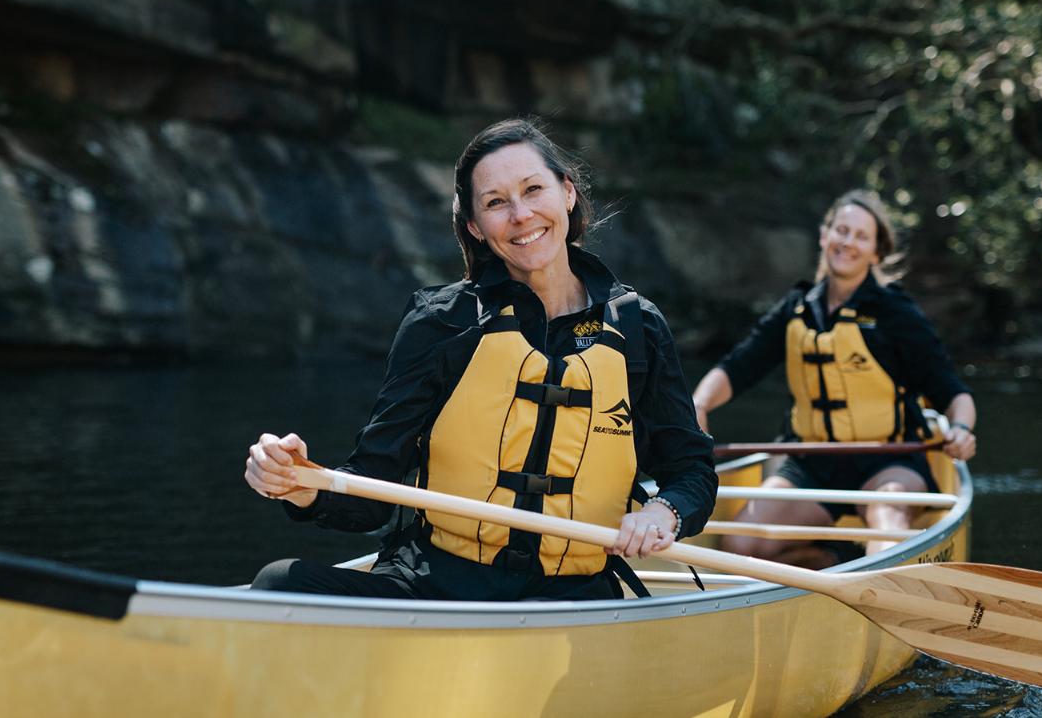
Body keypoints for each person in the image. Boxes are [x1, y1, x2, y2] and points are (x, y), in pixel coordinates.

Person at [244, 118, 718, 601]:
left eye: (534, 189)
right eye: (496, 202)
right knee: (280, 584)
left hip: (575, 595)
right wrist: (301, 485)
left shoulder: (638, 327)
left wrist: (666, 512)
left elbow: (692, 471)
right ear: (475, 225)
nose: (521, 214)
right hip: (439, 583)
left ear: (567, 194)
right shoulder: (441, 322)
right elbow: (373, 493)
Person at [691, 190, 976, 568]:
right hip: (814, 461)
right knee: (741, 544)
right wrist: (699, 403)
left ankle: (876, 584)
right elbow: (739, 366)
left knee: (886, 518)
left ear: (876, 251)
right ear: (825, 236)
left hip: (889, 461)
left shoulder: (896, 313)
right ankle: (833, 557)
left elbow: (954, 393)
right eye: (842, 230)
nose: (848, 242)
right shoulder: (796, 308)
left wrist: (960, 428)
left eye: (861, 236)